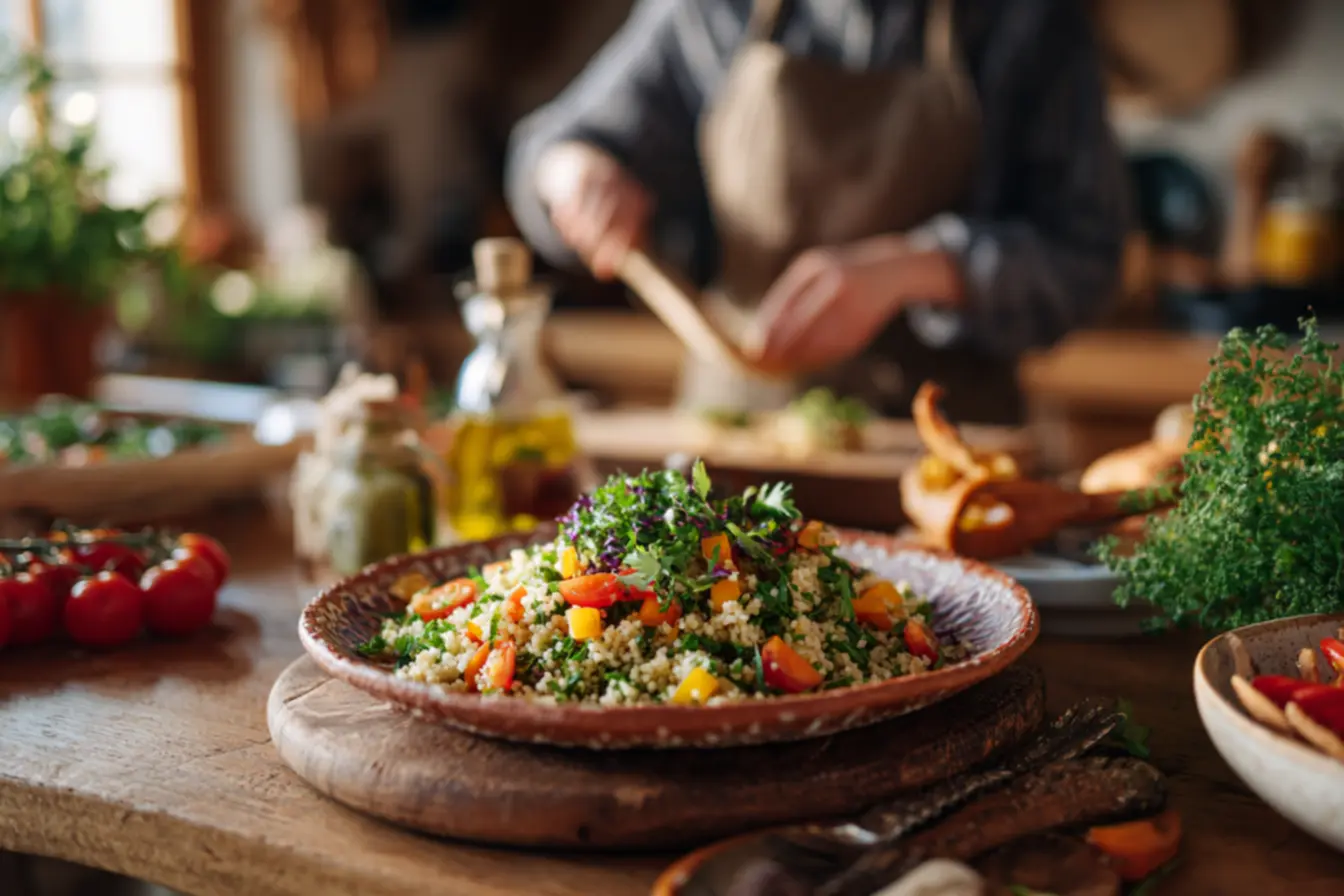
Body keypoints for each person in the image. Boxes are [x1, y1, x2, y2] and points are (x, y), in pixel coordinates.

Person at [505, 0, 1128, 422]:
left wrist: (922, 267)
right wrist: (573, 171)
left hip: (943, 447)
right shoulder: (711, 11)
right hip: (734, 430)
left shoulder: (1026, 20)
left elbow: (1088, 254)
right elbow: (546, 151)